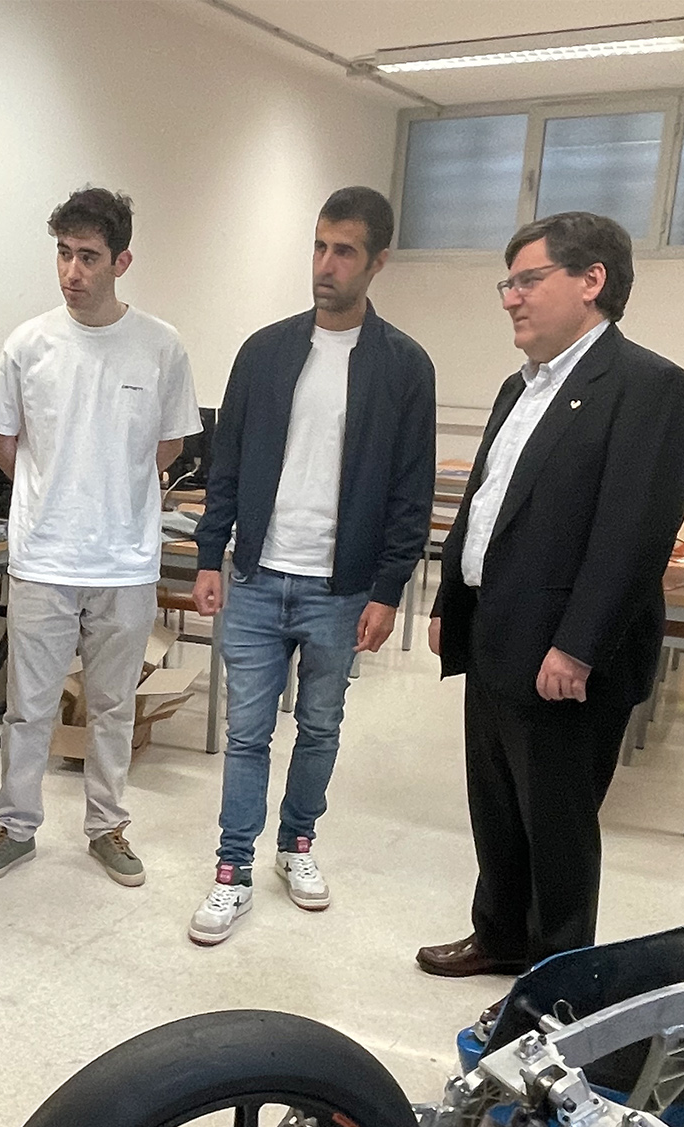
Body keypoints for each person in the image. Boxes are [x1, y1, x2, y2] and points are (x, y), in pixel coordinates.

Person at [416, 212, 684, 980]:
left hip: (563, 654)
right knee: (497, 806)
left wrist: (578, 646)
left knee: (557, 828)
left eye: (528, 280)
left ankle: (555, 983)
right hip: (496, 631)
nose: (510, 298)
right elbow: (486, 504)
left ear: (591, 281)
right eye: (507, 283)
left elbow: (633, 534)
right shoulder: (520, 387)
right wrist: (449, 601)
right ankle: (500, 936)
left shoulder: (647, 386)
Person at [185, 187, 434, 946]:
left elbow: (410, 491)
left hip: (340, 588)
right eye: (319, 246)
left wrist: (388, 588)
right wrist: (209, 554)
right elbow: (226, 466)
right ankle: (233, 868)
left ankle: (296, 843)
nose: (326, 265)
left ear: (378, 261)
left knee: (320, 727)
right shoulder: (264, 352)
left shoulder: (403, 366)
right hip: (257, 579)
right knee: (247, 733)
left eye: (344, 251)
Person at [0, 187, 200, 889]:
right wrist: (54, 490)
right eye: (63, 254)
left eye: (89, 256)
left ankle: (107, 828)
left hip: (125, 560)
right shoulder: (27, 344)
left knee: (113, 707)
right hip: (44, 556)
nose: (72, 271)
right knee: (28, 708)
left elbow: (169, 445)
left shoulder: (160, 346)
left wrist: (106, 490)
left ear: (121, 261)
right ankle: (15, 829)